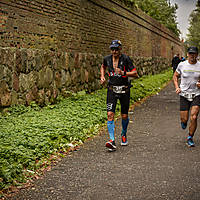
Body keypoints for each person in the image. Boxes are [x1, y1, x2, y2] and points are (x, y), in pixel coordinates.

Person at [100, 40, 138, 151]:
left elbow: (135, 74)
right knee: (110, 114)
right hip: (112, 90)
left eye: (116, 49)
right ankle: (112, 140)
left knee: (124, 115)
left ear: (120, 49)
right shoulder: (107, 59)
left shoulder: (126, 59)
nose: (114, 51)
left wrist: (123, 73)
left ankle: (124, 133)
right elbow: (103, 66)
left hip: (124, 90)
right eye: (112, 49)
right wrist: (102, 76)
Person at [173, 46, 200, 147]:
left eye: (194, 54)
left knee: (194, 116)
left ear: (197, 55)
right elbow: (175, 76)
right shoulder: (182, 65)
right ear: (187, 54)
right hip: (184, 94)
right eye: (190, 54)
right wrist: (177, 87)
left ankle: (190, 137)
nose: (192, 56)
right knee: (184, 119)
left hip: (196, 94)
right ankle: (183, 122)